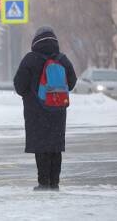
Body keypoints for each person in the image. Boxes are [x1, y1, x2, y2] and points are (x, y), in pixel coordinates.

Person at [13, 26, 77, 191]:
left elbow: (19, 85)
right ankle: (54, 182)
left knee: (41, 146)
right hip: (57, 109)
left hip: (36, 111)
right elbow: (72, 81)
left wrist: (31, 94)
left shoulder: (30, 59)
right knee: (55, 146)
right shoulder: (63, 59)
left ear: (36, 41)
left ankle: (43, 183)